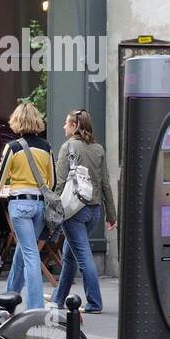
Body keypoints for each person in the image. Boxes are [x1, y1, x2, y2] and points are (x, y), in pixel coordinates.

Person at [0, 102, 53, 311]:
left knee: (30, 255)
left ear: (17, 122)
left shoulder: (13, 147)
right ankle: (8, 300)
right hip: (41, 206)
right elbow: (53, 182)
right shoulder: (46, 147)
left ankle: (35, 308)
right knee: (22, 253)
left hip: (20, 205)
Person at [49, 109, 116, 314]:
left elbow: (60, 184)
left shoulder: (67, 147)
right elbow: (105, 183)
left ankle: (95, 302)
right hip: (94, 211)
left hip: (74, 212)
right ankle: (58, 299)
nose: (63, 127)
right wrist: (111, 215)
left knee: (84, 258)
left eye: (66, 124)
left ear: (74, 126)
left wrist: (53, 214)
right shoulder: (98, 149)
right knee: (70, 255)